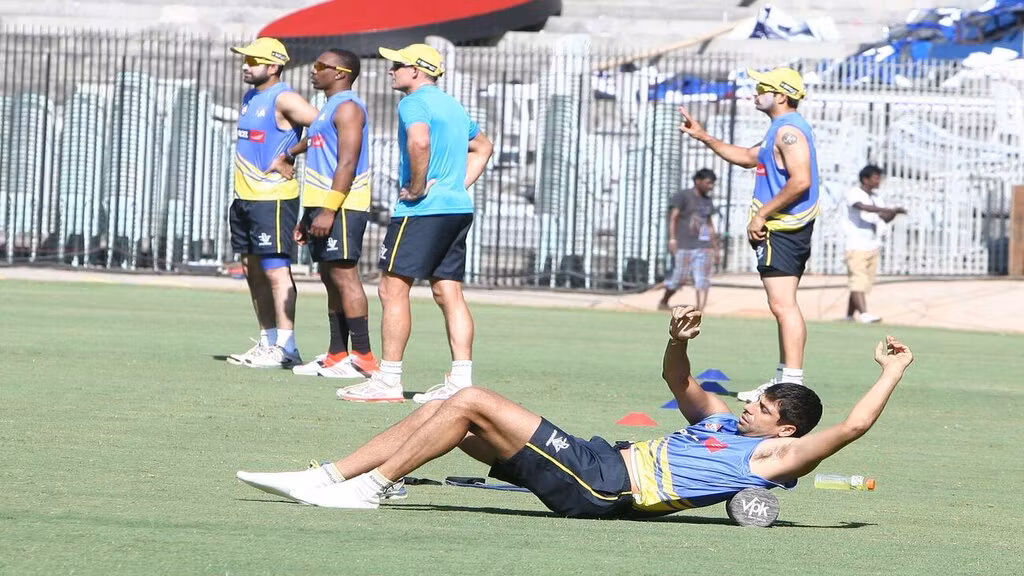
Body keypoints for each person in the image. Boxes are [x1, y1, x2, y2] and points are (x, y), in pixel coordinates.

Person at [236, 306, 914, 516]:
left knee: (469, 397)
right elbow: (676, 378)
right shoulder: (720, 422)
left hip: (608, 486)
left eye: (761, 406)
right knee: (456, 413)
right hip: (597, 462)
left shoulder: (774, 456)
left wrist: (891, 371)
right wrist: (678, 338)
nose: (747, 406)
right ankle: (335, 477)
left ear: (785, 429)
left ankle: (366, 487)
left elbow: (853, 427)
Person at [336, 44, 493, 404]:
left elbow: (419, 141)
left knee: (391, 289)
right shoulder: (453, 105)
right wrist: (457, 186)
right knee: (448, 291)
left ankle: (388, 380)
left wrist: (419, 187)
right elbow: (484, 147)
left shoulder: (413, 102)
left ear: (416, 71)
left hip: (422, 211)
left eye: (397, 65)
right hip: (456, 209)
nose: (390, 70)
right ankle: (461, 380)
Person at [678, 67, 819, 402]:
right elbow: (745, 157)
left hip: (783, 228)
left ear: (781, 95)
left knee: (783, 305)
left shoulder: (788, 131)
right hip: (782, 227)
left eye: (762, 88)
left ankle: (792, 384)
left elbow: (801, 181)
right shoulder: (779, 130)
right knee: (782, 304)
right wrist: (704, 136)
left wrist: (762, 214)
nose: (756, 93)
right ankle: (784, 380)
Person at [283, 49, 379, 379]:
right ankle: (337, 353)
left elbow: (347, 162)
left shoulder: (349, 107)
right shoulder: (327, 108)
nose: (314, 70)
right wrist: (307, 216)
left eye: (321, 66)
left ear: (341, 73)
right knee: (329, 277)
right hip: (321, 207)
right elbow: (318, 154)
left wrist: (328, 210)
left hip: (343, 207)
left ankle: (364, 358)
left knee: (345, 276)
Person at [226, 37, 318, 369]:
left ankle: (287, 347)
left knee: (276, 271)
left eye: (253, 61)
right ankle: (267, 342)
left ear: (274, 66)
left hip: (273, 199)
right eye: (245, 60)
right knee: (252, 270)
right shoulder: (251, 96)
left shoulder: (285, 98)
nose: (245, 66)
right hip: (245, 199)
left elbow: (326, 125)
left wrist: (290, 154)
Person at [844, 164, 907, 324]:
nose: (879, 181)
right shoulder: (855, 193)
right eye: (875, 178)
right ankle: (864, 314)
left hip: (872, 245)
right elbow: (861, 207)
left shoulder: (877, 198)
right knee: (858, 279)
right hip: (856, 244)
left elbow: (883, 218)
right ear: (865, 179)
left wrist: (893, 212)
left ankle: (849, 315)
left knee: (864, 282)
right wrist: (885, 209)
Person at [659, 168, 719, 312]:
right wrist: (672, 239)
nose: (710, 186)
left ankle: (700, 310)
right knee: (679, 279)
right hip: (684, 245)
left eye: (712, 184)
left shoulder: (707, 201)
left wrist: (715, 247)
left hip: (703, 245)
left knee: (702, 279)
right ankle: (664, 301)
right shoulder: (683, 196)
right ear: (698, 181)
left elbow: (709, 224)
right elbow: (673, 218)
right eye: (708, 183)